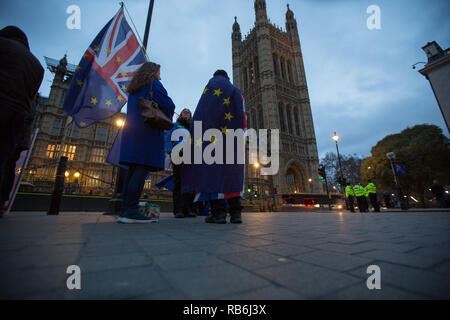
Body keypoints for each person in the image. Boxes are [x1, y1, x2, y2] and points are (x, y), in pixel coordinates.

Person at [181, 70, 246, 224]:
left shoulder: (211, 86)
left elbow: (201, 113)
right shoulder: (236, 91)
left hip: (212, 138)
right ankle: (236, 214)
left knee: (213, 175)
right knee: (232, 176)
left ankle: (219, 214)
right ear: (227, 77)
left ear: (215, 76)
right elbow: (243, 117)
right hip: (233, 138)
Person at [117, 62, 175, 223]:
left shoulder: (134, 88)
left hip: (131, 132)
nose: (160, 76)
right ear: (153, 72)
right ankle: (131, 211)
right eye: (159, 72)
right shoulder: (154, 84)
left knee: (132, 171)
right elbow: (169, 105)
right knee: (141, 171)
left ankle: (124, 210)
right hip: (146, 133)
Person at [0, 26, 44, 217]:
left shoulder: (3, 46)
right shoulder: (37, 66)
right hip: (18, 119)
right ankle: (1, 203)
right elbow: (32, 99)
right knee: (6, 162)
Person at [165, 108, 196, 218]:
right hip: (178, 154)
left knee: (190, 182)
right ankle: (178, 209)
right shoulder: (175, 125)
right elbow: (168, 138)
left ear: (190, 116)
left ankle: (188, 209)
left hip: (190, 157)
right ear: (181, 114)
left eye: (188, 112)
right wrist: (170, 150)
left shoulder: (192, 128)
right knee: (178, 182)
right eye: (184, 112)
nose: (186, 113)